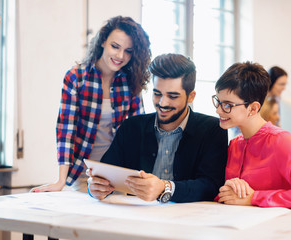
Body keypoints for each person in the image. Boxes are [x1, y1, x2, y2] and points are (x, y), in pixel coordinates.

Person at [31, 16, 151, 193]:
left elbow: (139, 132)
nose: (120, 56)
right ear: (103, 41)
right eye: (115, 46)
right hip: (83, 174)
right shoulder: (76, 77)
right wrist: (60, 181)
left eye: (128, 51)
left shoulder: (131, 82)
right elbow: (66, 129)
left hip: (119, 175)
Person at [87, 53, 228, 203]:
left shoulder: (212, 129)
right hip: (136, 218)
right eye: (157, 94)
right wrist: (94, 187)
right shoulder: (131, 127)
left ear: (191, 96)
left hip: (190, 219)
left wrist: (164, 187)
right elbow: (105, 173)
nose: (162, 103)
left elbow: (211, 185)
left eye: (173, 96)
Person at [212, 61, 291, 210]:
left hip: (280, 228)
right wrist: (227, 190)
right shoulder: (235, 145)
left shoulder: (280, 140)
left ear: (253, 108)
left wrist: (254, 197)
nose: (218, 110)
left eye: (227, 105)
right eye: (218, 101)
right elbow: (230, 197)